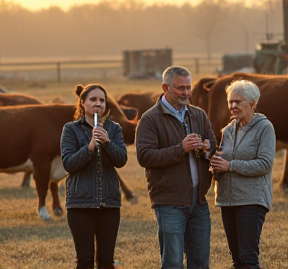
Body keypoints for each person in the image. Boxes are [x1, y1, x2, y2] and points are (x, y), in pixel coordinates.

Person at [135, 65, 217, 269]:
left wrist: (207, 147)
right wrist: (181, 148)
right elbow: (145, 157)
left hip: (199, 202)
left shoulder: (198, 115)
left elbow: (214, 144)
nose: (186, 93)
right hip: (169, 202)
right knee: (172, 263)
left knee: (200, 263)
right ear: (165, 87)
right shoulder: (149, 119)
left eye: (188, 88)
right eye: (181, 88)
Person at [210, 80, 276, 269]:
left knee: (248, 258)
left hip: (251, 200)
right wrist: (213, 164)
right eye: (231, 102)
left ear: (252, 103)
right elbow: (222, 160)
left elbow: (265, 164)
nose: (232, 106)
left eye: (238, 102)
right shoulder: (228, 130)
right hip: (227, 200)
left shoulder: (265, 128)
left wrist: (230, 166)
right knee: (237, 259)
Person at [60, 84, 127, 269]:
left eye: (102, 100)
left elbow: (121, 160)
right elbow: (69, 164)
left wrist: (107, 143)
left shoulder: (114, 129)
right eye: (93, 100)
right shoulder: (70, 129)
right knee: (85, 260)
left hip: (109, 202)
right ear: (82, 103)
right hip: (80, 203)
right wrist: (90, 147)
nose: (98, 104)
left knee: (106, 260)